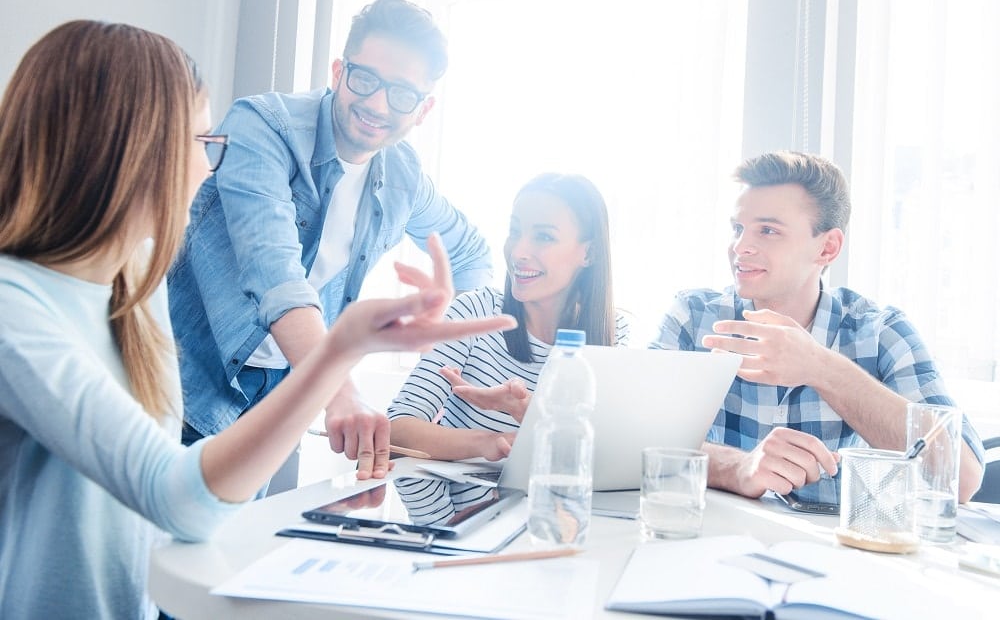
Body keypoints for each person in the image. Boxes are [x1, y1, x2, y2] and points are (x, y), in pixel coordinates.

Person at [0, 20, 514, 620]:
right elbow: (274, 275)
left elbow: (155, 538)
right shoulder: (17, 308)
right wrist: (338, 356)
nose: (208, 167)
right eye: (200, 143)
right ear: (128, 152)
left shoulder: (135, 281)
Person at [167, 0, 492, 482]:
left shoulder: (403, 176)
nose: (378, 104)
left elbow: (472, 253)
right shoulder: (263, 127)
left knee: (233, 551)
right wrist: (338, 390)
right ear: (339, 71)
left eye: (402, 94)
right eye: (365, 79)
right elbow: (275, 275)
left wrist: (450, 351)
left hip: (277, 400)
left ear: (423, 110)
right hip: (181, 379)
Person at [651, 152, 984, 504]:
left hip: (841, 551)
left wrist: (819, 366)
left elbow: (960, 478)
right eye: (738, 229)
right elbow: (635, 440)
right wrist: (739, 468)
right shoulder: (693, 316)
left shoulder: (882, 332)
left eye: (768, 230)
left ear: (828, 247)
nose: (740, 247)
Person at [389, 173, 629, 460]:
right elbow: (398, 427)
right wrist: (491, 443)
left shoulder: (613, 332)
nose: (518, 251)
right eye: (515, 231)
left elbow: (604, 452)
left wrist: (528, 412)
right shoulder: (474, 312)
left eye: (543, 236)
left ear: (588, 253)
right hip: (458, 504)